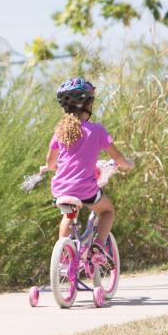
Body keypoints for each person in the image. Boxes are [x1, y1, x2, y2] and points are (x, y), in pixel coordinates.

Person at [42, 77, 134, 258]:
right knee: (107, 211)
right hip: (85, 188)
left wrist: (49, 167)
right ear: (89, 104)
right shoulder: (97, 130)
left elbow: (50, 161)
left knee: (69, 214)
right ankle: (99, 244)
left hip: (60, 189)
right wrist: (127, 164)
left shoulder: (60, 132)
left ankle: (64, 253)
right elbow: (117, 157)